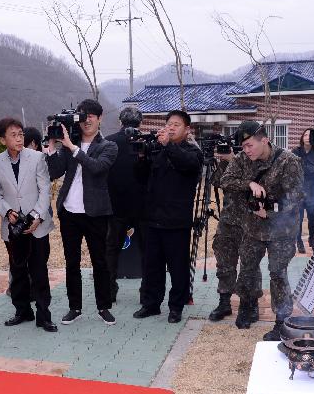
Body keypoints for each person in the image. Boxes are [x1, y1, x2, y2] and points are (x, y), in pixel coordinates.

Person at [221, 121, 304, 340]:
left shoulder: (288, 161)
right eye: (243, 147)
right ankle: (249, 306)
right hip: (253, 227)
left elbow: (295, 199)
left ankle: (281, 320)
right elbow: (226, 180)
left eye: (249, 145)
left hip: (281, 229)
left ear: (264, 139)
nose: (246, 151)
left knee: (277, 273)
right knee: (247, 268)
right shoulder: (242, 160)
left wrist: (270, 213)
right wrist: (249, 183)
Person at [45, 98, 118, 325]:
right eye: (83, 118)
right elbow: (55, 172)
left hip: (95, 212)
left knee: (100, 262)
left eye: (91, 117)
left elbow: (97, 168)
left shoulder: (108, 146)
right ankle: (74, 307)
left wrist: (72, 148)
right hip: (69, 212)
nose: (86, 122)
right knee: (71, 262)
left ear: (99, 119)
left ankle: (103, 306)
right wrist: (52, 147)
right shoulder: (68, 145)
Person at [133, 110, 204, 324]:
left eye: (176, 124)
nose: (171, 127)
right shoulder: (158, 149)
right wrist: (142, 155)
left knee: (177, 267)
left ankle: (176, 307)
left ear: (187, 129)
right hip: (152, 217)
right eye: (169, 124)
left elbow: (186, 164)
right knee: (151, 265)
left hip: (176, 220)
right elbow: (140, 177)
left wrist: (168, 146)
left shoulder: (193, 151)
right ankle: (151, 304)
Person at [0, 118, 57, 332]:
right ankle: (22, 310)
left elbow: (45, 189)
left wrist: (37, 215)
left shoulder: (37, 158)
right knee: (17, 270)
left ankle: (44, 314)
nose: (19, 139)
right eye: (13, 135)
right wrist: (7, 211)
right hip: (13, 226)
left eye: (21, 134)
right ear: (2, 140)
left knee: (39, 270)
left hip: (36, 224)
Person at [209, 122, 262, 328]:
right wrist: (224, 162)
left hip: (252, 221)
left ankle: (251, 304)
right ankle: (224, 302)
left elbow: (261, 185)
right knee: (224, 262)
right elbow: (219, 182)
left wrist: (235, 162)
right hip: (229, 220)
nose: (245, 147)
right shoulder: (233, 160)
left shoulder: (260, 158)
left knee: (250, 265)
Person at [105, 107, 147, 303]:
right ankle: (146, 290)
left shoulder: (109, 141)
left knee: (112, 248)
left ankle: (110, 289)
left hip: (115, 204)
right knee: (147, 249)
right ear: (140, 123)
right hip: (142, 204)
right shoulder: (146, 141)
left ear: (120, 121)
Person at [292, 128, 314, 253]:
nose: (308, 137)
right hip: (298, 190)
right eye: (306, 135)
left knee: (312, 217)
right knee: (299, 217)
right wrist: (311, 169)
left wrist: (310, 169)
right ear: (302, 137)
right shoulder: (296, 151)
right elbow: (294, 170)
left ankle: (311, 238)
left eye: (310, 135)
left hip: (312, 190)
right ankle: (298, 241)